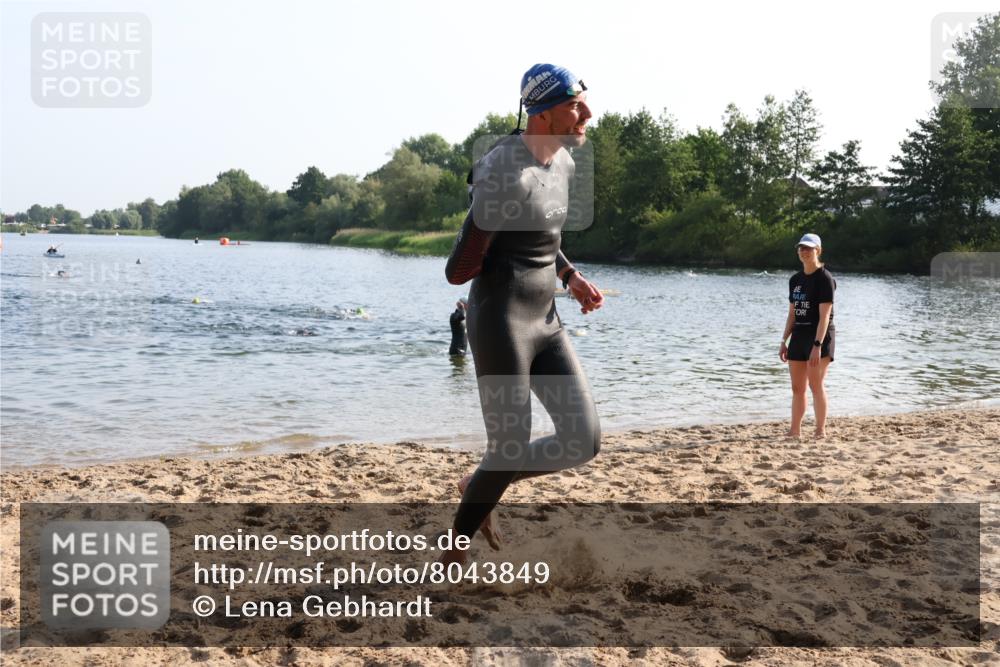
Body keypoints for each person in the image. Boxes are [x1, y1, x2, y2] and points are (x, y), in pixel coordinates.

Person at [441, 64, 604, 564]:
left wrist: (570, 276)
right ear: (542, 111)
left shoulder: (566, 165)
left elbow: (543, 236)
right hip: (500, 318)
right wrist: (482, 213)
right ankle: (452, 553)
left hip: (546, 320)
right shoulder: (502, 168)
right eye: (575, 104)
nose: (587, 113)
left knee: (584, 439)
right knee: (509, 446)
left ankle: (481, 482)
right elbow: (458, 271)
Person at [779, 233, 836, 438]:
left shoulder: (825, 278)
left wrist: (817, 345)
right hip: (799, 336)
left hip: (819, 337)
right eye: (801, 248)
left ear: (817, 251)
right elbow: (792, 314)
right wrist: (784, 341)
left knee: (815, 385)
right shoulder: (795, 280)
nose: (804, 251)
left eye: (809, 248)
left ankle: (820, 430)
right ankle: (795, 430)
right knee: (797, 387)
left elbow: (825, 316)